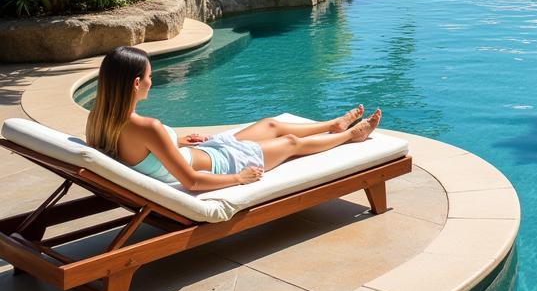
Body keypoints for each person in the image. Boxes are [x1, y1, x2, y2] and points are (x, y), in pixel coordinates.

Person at [85, 46, 381, 191]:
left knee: (270, 124)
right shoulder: (147, 128)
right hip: (222, 164)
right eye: (150, 77)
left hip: (204, 151)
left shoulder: (98, 121)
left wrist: (178, 139)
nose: (152, 82)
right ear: (136, 84)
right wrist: (238, 178)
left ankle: (333, 125)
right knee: (289, 141)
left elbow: (142, 152)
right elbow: (191, 181)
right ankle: (349, 135)